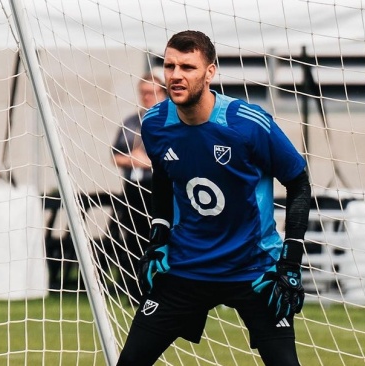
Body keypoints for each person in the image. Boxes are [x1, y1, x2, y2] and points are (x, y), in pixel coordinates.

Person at [116, 30, 311, 366]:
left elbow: (299, 182)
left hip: (254, 268)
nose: (176, 75)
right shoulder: (155, 124)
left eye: (188, 67)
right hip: (186, 266)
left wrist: (290, 261)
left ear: (210, 72)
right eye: (170, 65)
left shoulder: (247, 124)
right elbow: (163, 180)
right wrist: (159, 237)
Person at [111, 73, 167, 303]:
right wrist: (133, 159)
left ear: (162, 93)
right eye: (143, 93)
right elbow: (115, 156)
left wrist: (151, 161)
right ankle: (135, 291)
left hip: (160, 187)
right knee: (134, 239)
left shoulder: (170, 121)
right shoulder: (132, 122)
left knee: (161, 238)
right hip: (134, 187)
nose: (146, 97)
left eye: (151, 92)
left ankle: (163, 290)